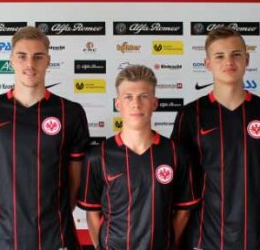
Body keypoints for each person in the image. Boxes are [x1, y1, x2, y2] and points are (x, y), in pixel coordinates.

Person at [171, 27, 260, 249]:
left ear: (246, 59)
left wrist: (251, 209)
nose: (229, 61)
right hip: (203, 236)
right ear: (208, 64)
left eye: (236, 54)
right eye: (220, 56)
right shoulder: (190, 115)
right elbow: (181, 179)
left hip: (255, 236)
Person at [0, 26, 90, 250]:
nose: (30, 64)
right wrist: (5, 214)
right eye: (22, 56)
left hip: (55, 234)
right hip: (2, 236)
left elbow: (75, 176)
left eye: (38, 56)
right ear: (11, 60)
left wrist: (56, 213)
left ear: (48, 60)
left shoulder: (70, 111)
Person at [78, 65, 199, 249]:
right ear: (118, 104)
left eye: (143, 96)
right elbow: (92, 213)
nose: (136, 104)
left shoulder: (175, 154)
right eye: (128, 97)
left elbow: (183, 210)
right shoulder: (98, 156)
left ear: (154, 103)